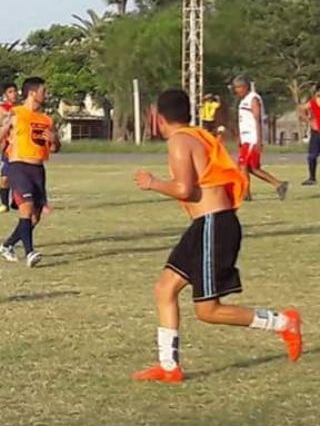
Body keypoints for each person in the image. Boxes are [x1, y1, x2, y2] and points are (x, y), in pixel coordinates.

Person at [131, 90, 302, 384]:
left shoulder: (179, 141)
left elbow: (186, 189)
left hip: (214, 225)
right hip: (205, 226)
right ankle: (169, 366)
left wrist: (153, 183)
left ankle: (284, 323)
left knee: (208, 311)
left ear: (159, 118)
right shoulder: (197, 135)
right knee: (164, 289)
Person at [0, 77, 59, 268]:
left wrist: (54, 139)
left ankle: (7, 245)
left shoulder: (46, 119)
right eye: (44, 90)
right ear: (33, 93)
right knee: (26, 208)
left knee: (35, 217)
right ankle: (30, 253)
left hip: (38, 170)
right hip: (18, 167)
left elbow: (54, 148)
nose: (46, 94)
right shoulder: (14, 114)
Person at [232, 76, 289, 201]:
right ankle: (277, 184)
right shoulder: (243, 100)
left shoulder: (253, 99)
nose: (236, 90)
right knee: (248, 167)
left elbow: (257, 120)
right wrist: (240, 137)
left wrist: (259, 139)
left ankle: (248, 193)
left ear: (245, 87)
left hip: (252, 138)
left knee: (246, 166)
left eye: (238, 87)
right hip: (246, 138)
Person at [0, 82, 19, 214]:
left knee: (20, 176)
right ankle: (4, 204)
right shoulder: (2, 109)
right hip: (8, 148)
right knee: (5, 178)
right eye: (10, 91)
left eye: (15, 91)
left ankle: (16, 200)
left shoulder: (21, 108)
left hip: (20, 147)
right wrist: (4, 124)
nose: (14, 94)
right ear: (5, 95)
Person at [299, 88, 320, 186]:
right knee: (312, 156)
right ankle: (312, 178)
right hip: (316, 133)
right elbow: (301, 109)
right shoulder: (312, 102)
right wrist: (310, 121)